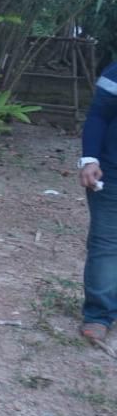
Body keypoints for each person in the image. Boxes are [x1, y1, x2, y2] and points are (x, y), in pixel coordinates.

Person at [78, 60, 117, 342]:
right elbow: (99, 115)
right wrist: (90, 159)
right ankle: (98, 315)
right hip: (112, 173)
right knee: (106, 243)